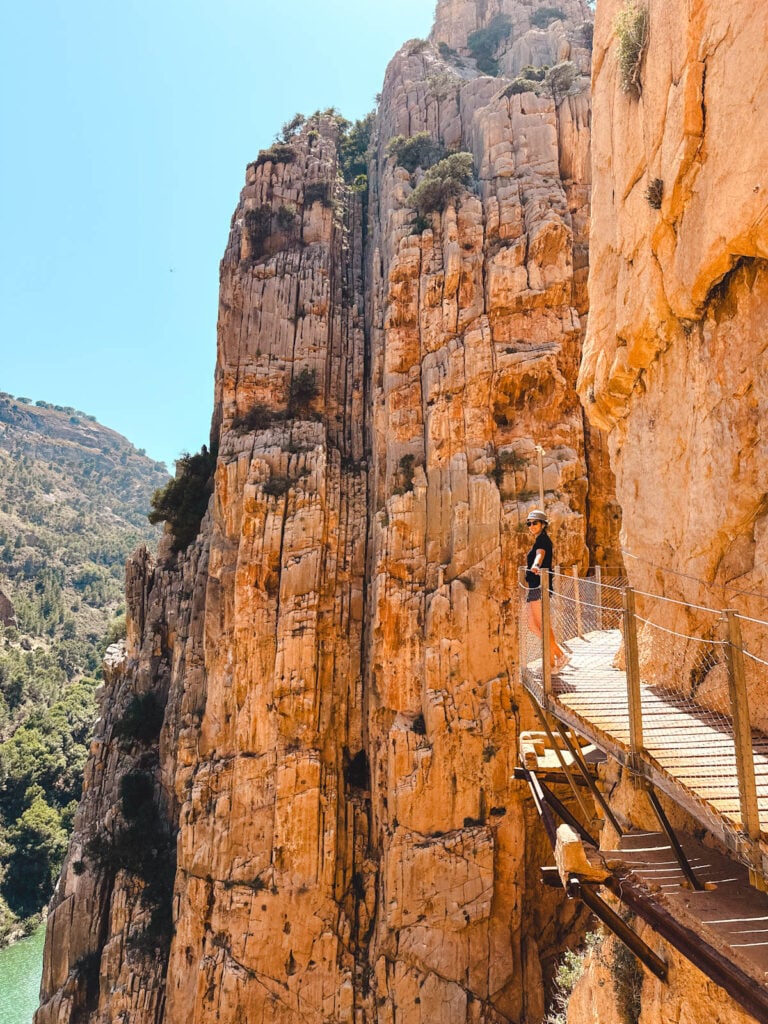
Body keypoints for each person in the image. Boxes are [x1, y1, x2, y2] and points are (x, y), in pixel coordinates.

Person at [525, 510, 570, 672]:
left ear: (543, 525)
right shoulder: (539, 540)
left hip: (540, 588)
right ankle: (554, 658)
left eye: (534, 523)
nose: (531, 526)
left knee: (543, 626)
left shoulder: (543, 541)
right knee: (532, 625)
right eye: (529, 523)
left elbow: (540, 555)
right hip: (534, 588)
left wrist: (535, 565)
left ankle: (557, 658)